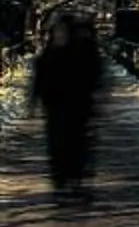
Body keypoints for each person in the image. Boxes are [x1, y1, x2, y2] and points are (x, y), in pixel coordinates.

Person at [32, 10, 103, 198]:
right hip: (70, 103)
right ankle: (70, 177)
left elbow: (41, 72)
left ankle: (66, 178)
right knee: (71, 141)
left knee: (65, 142)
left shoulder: (57, 49)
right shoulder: (82, 48)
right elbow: (95, 71)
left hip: (65, 103)